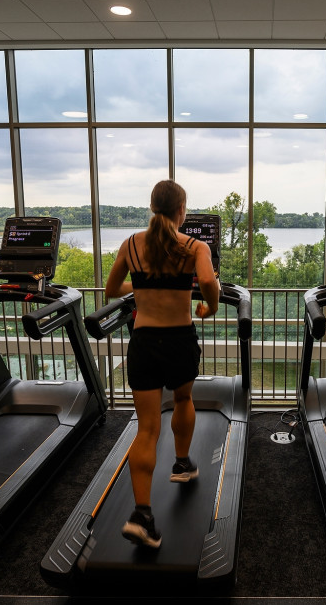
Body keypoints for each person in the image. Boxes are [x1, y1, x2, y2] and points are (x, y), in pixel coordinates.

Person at [104, 179, 219, 549]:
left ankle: (142, 514)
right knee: (184, 401)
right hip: (179, 341)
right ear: (181, 211)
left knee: (147, 429)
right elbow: (207, 281)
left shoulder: (131, 245)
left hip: (144, 343)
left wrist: (141, 289)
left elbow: (111, 288)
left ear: (153, 207)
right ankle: (182, 465)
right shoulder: (194, 246)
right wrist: (210, 306)